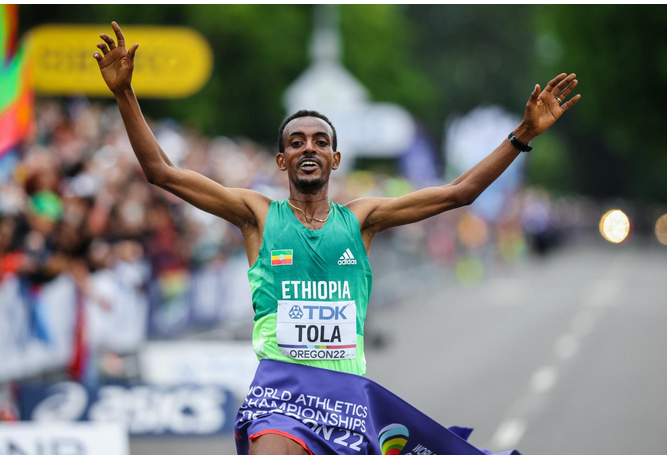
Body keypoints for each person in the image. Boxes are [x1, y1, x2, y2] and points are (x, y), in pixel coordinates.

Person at [94, 22, 580, 455]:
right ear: (282, 160)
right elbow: (161, 172)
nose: (309, 147)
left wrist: (522, 134)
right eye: (297, 141)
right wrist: (124, 95)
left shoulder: (362, 218)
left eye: (321, 141)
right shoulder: (255, 215)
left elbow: (459, 193)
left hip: (344, 396)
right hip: (278, 390)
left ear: (335, 159)